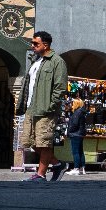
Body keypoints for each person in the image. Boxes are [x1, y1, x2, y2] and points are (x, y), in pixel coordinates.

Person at [17, 31, 68, 182]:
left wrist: (51, 105)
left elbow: (60, 87)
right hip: (31, 109)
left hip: (46, 110)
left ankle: (40, 175)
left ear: (45, 45)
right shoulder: (35, 62)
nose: (32, 46)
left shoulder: (57, 62)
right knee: (31, 143)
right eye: (32, 43)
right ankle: (58, 164)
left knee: (44, 143)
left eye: (35, 43)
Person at [65, 98, 90, 176]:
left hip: (75, 134)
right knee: (80, 151)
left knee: (75, 152)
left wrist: (68, 132)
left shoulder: (77, 113)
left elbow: (74, 124)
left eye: (72, 103)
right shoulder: (81, 112)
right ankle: (82, 168)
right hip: (80, 134)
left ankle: (76, 168)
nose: (71, 105)